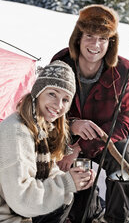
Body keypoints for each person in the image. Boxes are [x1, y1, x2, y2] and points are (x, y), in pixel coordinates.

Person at [51, 4, 129, 223]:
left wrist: (80, 147)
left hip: (108, 140)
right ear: (78, 37)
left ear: (111, 42)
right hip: (68, 137)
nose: (95, 44)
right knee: (81, 214)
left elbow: (124, 123)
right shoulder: (62, 63)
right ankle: (85, 210)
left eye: (103, 38)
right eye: (90, 36)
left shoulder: (123, 70)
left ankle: (117, 218)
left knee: (123, 154)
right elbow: (45, 109)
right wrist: (72, 125)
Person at [0, 60, 96, 223]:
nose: (58, 105)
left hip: (18, 211)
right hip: (9, 216)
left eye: (65, 99)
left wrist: (73, 179)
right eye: (52, 94)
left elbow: (47, 172)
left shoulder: (40, 127)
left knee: (67, 197)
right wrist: (66, 183)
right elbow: (21, 199)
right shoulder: (17, 131)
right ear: (38, 92)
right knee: (63, 196)